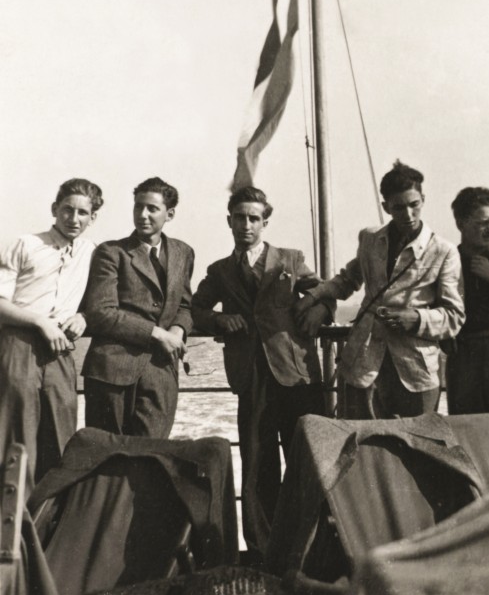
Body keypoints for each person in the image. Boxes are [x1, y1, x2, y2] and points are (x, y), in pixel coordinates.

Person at [192, 186, 330, 561]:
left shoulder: (289, 259)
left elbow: (324, 292)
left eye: (254, 218)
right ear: (229, 221)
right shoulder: (220, 270)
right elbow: (194, 309)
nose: (246, 225)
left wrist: (320, 310)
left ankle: (315, 549)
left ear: (265, 222)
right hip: (250, 377)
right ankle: (265, 553)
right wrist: (219, 318)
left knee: (307, 459)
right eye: (240, 217)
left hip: (296, 374)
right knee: (257, 465)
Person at [296, 160, 465, 420]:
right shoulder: (370, 239)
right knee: (362, 447)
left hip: (416, 371)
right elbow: (347, 280)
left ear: (423, 199)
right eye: (399, 207)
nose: (408, 214)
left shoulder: (443, 250)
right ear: (386, 206)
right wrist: (314, 295)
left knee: (416, 449)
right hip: (363, 365)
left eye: (414, 205)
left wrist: (417, 318)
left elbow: (454, 316)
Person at [0, 178, 103, 490]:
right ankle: (12, 531)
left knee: (61, 437)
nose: (74, 219)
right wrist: (40, 323)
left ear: (92, 217)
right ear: (54, 209)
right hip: (19, 344)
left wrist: (84, 317)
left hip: (60, 351)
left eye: (82, 213)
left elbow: (99, 302)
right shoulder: (25, 244)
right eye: (67, 210)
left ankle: (49, 532)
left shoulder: (92, 252)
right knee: (17, 441)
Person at [82, 177, 194, 439]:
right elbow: (100, 312)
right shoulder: (111, 252)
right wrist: (156, 333)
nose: (143, 215)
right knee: (107, 459)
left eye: (152, 209)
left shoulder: (183, 253)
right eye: (138, 207)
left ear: (170, 213)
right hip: (111, 374)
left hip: (160, 373)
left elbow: (186, 305)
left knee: (152, 458)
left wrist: (178, 330)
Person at [446, 187, 489, 414]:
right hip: (463, 355)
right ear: (461, 224)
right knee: (464, 426)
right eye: (482, 223)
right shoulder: (447, 261)